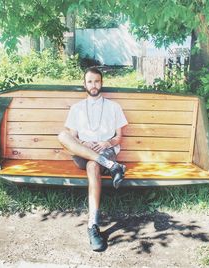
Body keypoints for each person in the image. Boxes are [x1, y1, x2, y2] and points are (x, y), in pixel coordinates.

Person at [57, 67, 128, 251]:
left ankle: (92, 225)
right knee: (62, 136)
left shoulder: (114, 107)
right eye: (90, 81)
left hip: (106, 152)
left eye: (97, 81)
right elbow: (72, 137)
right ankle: (114, 167)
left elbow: (119, 138)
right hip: (83, 152)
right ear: (84, 84)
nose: (93, 85)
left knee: (93, 165)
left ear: (101, 83)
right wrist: (84, 144)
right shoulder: (76, 108)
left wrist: (106, 142)